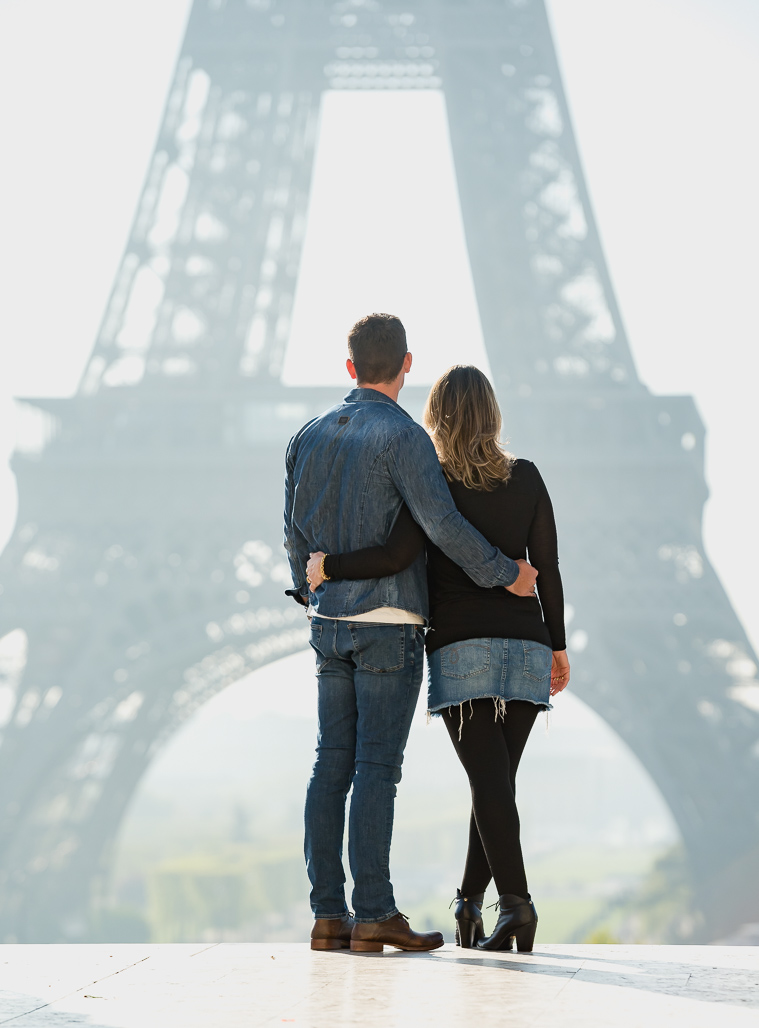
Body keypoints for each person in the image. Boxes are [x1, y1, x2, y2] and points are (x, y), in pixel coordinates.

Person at [284, 316, 538, 954]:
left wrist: (310, 589)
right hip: (389, 623)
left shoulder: (306, 438)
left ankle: (327, 915)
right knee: (376, 767)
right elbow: (443, 525)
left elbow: (293, 533)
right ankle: (373, 913)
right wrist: (506, 574)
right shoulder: (405, 438)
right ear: (406, 365)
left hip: (328, 620)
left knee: (328, 764)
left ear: (349, 368)